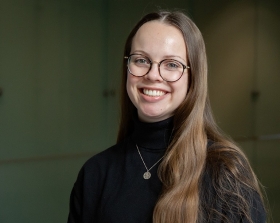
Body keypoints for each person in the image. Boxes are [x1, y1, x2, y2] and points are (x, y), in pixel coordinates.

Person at [67, 10, 266, 223]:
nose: (152, 75)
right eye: (141, 60)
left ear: (193, 77)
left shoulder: (225, 172)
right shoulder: (96, 173)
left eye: (172, 64)